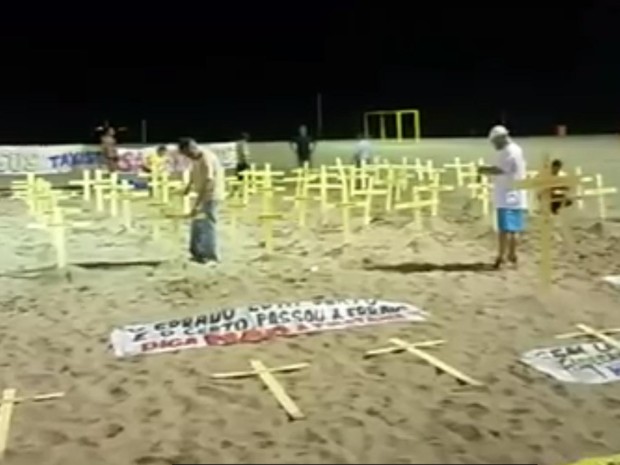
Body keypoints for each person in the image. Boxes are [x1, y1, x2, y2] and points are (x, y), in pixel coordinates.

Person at [478, 125, 527, 269]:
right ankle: (512, 255)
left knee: (504, 230)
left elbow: (500, 169)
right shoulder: (517, 149)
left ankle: (502, 256)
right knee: (514, 229)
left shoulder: (508, 151)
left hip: (507, 195)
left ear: (501, 139)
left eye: (495, 141)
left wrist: (483, 169)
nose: (494, 145)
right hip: (517, 194)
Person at [178, 137, 225, 265]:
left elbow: (208, 181)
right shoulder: (195, 159)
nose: (188, 157)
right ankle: (196, 252)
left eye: (188, 153)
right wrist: (188, 187)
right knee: (197, 223)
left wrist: (198, 204)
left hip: (211, 196)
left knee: (207, 224)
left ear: (192, 148)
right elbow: (194, 173)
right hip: (201, 195)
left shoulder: (206, 158)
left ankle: (211, 256)